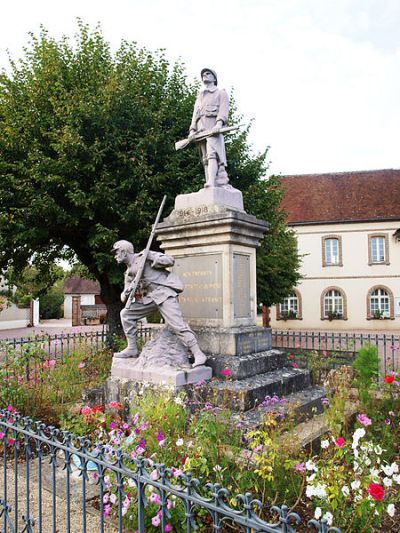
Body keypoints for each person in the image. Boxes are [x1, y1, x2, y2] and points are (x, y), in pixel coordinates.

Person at [111, 240, 207, 367]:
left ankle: (198, 353)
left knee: (177, 324)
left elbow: (170, 260)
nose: (115, 256)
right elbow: (123, 298)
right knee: (126, 314)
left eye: (116, 252)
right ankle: (132, 348)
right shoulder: (128, 273)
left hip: (164, 294)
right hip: (150, 298)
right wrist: (128, 291)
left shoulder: (144, 256)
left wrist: (150, 256)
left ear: (124, 251)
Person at [189, 68, 230, 188]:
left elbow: (223, 110)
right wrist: (192, 129)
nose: (205, 76)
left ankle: (212, 182)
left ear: (214, 78)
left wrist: (219, 124)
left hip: (212, 128)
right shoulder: (200, 96)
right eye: (203, 74)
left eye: (208, 73)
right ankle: (209, 181)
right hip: (201, 129)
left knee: (212, 155)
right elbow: (195, 114)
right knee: (205, 158)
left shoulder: (221, 93)